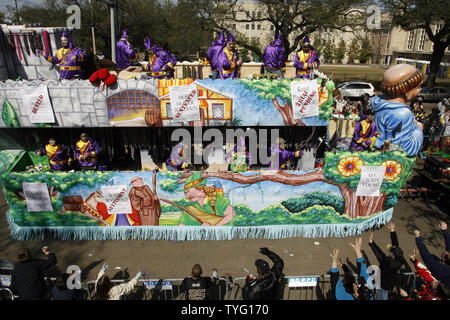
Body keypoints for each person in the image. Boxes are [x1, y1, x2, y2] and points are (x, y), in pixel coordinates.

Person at [370, 64, 424, 156]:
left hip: (375, 154)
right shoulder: (402, 113)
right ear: (406, 90)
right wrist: (418, 128)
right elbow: (403, 149)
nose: (420, 89)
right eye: (418, 87)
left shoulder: (379, 104)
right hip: (391, 164)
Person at [368, 222, 405, 300]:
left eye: (390, 252)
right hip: (390, 285)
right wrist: (392, 231)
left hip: (383, 286)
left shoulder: (387, 263)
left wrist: (372, 243)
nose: (389, 252)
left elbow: (379, 254)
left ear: (393, 255)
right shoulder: (399, 261)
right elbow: (396, 246)